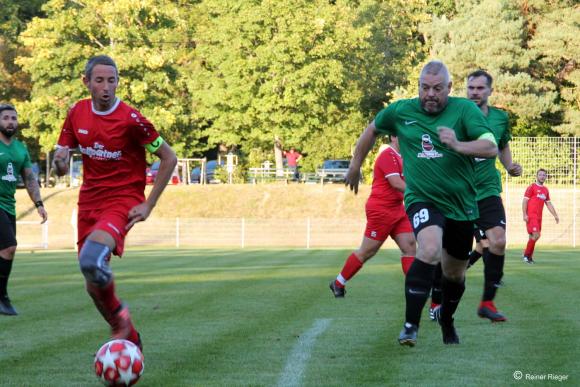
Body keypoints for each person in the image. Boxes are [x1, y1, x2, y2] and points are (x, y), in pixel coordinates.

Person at [345, 60, 497, 346]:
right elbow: (372, 129)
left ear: (449, 88)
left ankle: (447, 322)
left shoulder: (464, 111)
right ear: (418, 87)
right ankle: (410, 325)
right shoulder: (402, 110)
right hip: (422, 198)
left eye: (437, 89)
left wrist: (458, 145)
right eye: (425, 88)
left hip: (461, 205)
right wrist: (355, 165)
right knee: (427, 248)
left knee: (454, 273)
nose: (430, 94)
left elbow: (489, 147)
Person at [52, 55, 177, 350]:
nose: (107, 87)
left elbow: (169, 158)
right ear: (87, 82)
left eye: (112, 80)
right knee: (92, 280)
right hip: (89, 203)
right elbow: (61, 161)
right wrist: (59, 162)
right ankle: (129, 335)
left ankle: (120, 320)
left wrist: (149, 204)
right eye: (100, 80)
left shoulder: (132, 120)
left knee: (90, 260)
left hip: (122, 200)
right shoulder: (76, 113)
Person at [430, 70, 522, 323]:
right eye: (471, 88)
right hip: (457, 193)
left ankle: (487, 303)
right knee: (446, 252)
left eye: (481, 88)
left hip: (487, 190)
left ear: (490, 91)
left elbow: (501, 145)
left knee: (498, 241)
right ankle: (436, 300)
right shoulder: (455, 114)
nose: (475, 93)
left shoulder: (500, 119)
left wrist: (510, 166)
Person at [329, 136, 416, 298]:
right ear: (394, 137)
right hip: (381, 209)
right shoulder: (387, 155)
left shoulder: (402, 156)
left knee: (410, 246)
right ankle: (338, 283)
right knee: (367, 251)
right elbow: (396, 183)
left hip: (397, 208)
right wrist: (421, 192)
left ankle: (416, 288)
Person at [0, 104, 48, 315]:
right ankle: (2, 296)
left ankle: (2, 295)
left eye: (13, 118)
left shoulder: (21, 149)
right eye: (6, 118)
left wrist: (39, 204)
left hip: (9, 205)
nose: (10, 121)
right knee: (9, 247)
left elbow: (29, 178)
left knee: (6, 251)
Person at [522, 168, 559, 263]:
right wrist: (524, 214)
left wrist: (555, 215)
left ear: (546, 177)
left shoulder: (545, 190)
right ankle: (526, 255)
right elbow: (525, 201)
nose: (542, 176)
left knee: (533, 236)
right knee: (536, 235)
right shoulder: (532, 187)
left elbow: (549, 203)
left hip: (539, 217)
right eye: (540, 175)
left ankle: (529, 257)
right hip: (531, 216)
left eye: (544, 175)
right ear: (537, 176)